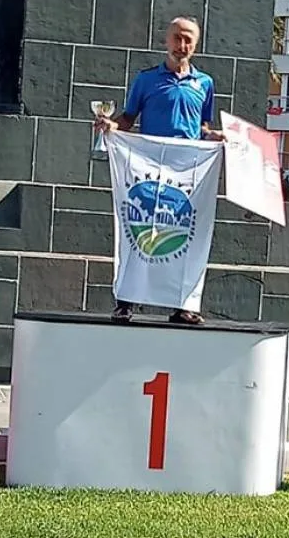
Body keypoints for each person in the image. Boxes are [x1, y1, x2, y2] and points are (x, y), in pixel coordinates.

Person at [94, 16, 225, 325]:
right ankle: (126, 301)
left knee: (183, 233)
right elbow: (128, 118)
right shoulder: (146, 80)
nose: (182, 45)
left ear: (196, 45)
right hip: (148, 167)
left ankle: (182, 305)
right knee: (137, 229)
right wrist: (111, 126)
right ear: (166, 40)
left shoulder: (204, 83)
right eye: (177, 37)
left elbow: (202, 125)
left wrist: (214, 136)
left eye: (188, 39)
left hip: (187, 172)